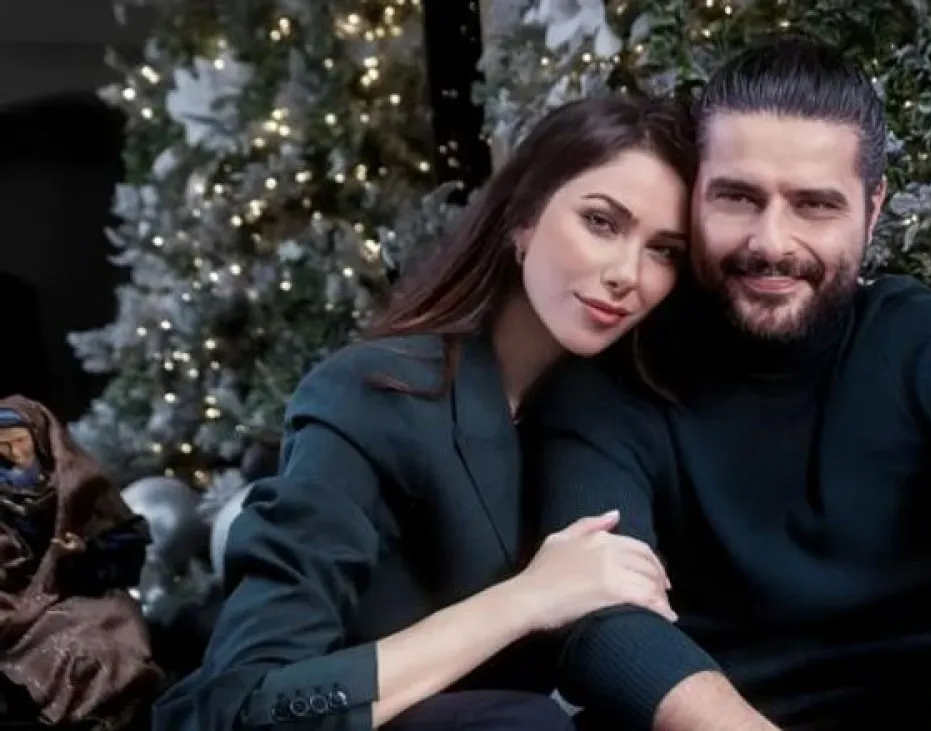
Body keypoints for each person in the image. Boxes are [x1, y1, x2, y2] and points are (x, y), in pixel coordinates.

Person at [522, 38, 931, 731]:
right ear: (695, 196)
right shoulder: (612, 379)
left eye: (814, 205)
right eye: (738, 197)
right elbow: (601, 620)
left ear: (873, 206)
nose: (771, 241)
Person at [151, 94, 696, 731]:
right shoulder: (372, 397)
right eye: (601, 222)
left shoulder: (612, 412)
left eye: (664, 251)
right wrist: (527, 599)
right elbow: (245, 705)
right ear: (523, 219)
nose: (628, 274)